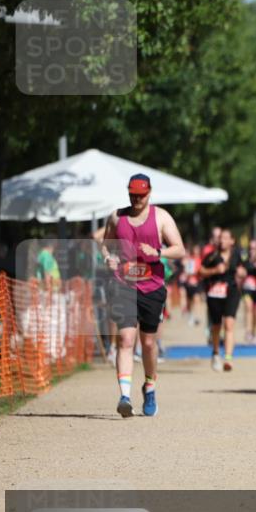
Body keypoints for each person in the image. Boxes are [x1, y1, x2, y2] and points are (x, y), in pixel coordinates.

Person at [99, 173, 186, 417]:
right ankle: (124, 396)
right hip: (123, 284)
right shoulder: (117, 217)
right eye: (133, 195)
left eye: (141, 195)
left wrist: (159, 252)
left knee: (148, 343)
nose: (137, 199)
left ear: (149, 193)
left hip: (152, 286)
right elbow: (105, 243)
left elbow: (180, 249)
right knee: (126, 340)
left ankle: (149, 386)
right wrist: (108, 257)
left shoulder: (161, 217)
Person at [200, 228, 244, 372]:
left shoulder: (237, 255)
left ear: (232, 241)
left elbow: (245, 268)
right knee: (216, 326)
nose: (222, 240)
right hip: (215, 292)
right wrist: (214, 271)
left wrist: (242, 272)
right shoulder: (212, 256)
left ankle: (228, 358)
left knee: (229, 324)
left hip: (231, 291)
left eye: (226, 238)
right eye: (221, 238)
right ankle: (216, 352)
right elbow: (201, 271)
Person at [240, 239, 256, 343]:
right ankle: (248, 332)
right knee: (248, 307)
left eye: (254, 248)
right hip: (246, 288)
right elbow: (241, 272)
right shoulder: (244, 260)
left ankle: (253, 332)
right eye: (250, 248)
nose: (251, 251)